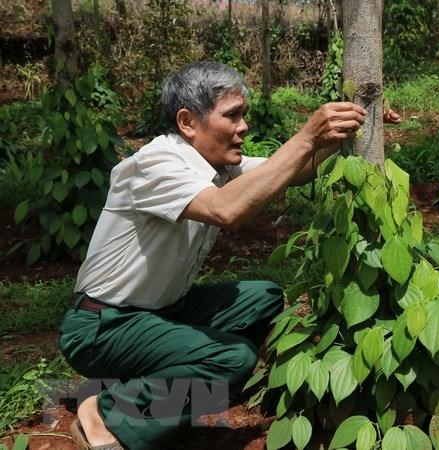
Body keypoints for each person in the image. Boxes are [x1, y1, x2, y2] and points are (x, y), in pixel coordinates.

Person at [60, 61, 400, 450]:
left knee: (264, 297)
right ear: (187, 121)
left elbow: (291, 171)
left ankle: (169, 381)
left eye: (244, 115)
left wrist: (350, 131)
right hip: (102, 327)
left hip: (160, 312)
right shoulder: (154, 165)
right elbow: (227, 210)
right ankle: (109, 414)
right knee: (232, 359)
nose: (244, 126)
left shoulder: (212, 165)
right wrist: (307, 136)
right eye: (232, 116)